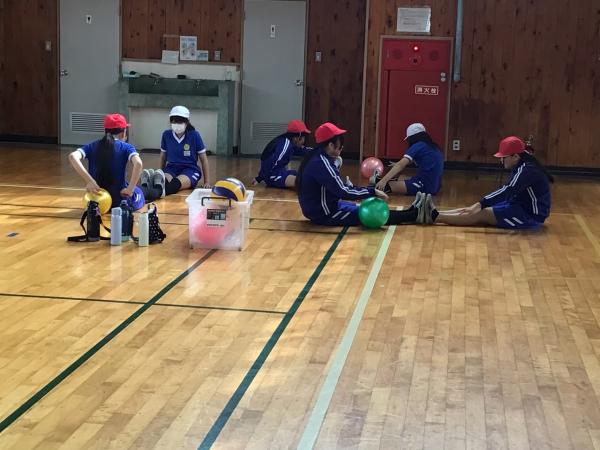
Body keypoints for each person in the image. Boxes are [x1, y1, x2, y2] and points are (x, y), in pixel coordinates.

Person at [296, 122, 425, 227]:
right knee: (373, 214)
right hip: (324, 214)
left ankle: (411, 211)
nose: (342, 148)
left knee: (359, 206)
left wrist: (355, 189)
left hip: (323, 207)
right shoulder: (322, 163)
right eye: (340, 145)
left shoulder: (315, 156)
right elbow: (343, 192)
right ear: (330, 145)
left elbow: (335, 188)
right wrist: (372, 192)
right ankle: (414, 214)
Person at [418, 136, 553, 228]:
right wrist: (480, 204)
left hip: (530, 216)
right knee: (476, 209)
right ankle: (436, 212)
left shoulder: (527, 169)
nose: (501, 160)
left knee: (482, 213)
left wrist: (481, 203)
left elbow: (508, 190)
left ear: (515, 156)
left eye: (503, 157)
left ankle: (434, 217)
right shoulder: (524, 162)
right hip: (518, 205)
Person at [68, 113, 162, 210]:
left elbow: (72, 156)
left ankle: (146, 183)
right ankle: (159, 188)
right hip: (120, 201)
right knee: (140, 191)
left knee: (136, 188)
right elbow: (138, 164)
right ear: (123, 133)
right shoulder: (126, 147)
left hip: (96, 202)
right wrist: (130, 189)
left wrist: (90, 181)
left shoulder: (92, 145)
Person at [153, 105, 211, 197]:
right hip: (171, 168)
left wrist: (206, 182)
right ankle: (151, 186)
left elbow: (204, 159)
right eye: (174, 121)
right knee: (161, 182)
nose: (176, 124)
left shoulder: (194, 135)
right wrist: (160, 172)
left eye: (180, 121)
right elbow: (163, 157)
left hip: (190, 170)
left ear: (187, 122)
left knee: (174, 185)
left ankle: (154, 193)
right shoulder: (166, 135)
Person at [372, 122, 444, 195]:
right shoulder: (433, 147)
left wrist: (384, 180)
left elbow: (401, 165)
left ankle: (376, 183)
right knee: (402, 177)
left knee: (384, 187)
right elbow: (422, 161)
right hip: (435, 185)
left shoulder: (418, 145)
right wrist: (398, 164)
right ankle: (378, 180)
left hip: (425, 186)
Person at [251, 120, 313, 189]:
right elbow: (272, 162)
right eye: (304, 137)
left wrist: (317, 151)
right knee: (301, 181)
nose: (304, 141)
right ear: (298, 137)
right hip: (272, 175)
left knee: (299, 174)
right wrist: (259, 178)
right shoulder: (285, 144)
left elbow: (303, 150)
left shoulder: (290, 143)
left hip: (280, 171)